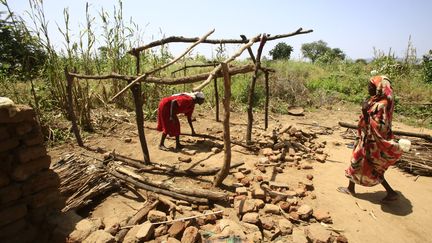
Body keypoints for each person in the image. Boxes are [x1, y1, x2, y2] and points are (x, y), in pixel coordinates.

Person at [338, 75, 404, 202]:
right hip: (368, 139)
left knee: (361, 163)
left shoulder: (381, 105)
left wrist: (364, 112)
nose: (368, 88)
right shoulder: (379, 101)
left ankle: (389, 192)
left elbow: (378, 126)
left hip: (372, 142)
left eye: (371, 86)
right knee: (366, 165)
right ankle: (353, 188)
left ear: (379, 88)